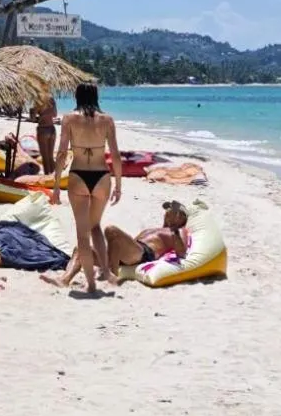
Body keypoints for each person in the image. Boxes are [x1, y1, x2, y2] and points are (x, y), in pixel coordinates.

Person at [51, 84, 122, 296]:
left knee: (82, 234)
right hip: (101, 176)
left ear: (77, 96)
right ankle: (107, 272)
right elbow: (116, 155)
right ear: (96, 96)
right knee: (95, 226)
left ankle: (91, 285)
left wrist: (56, 186)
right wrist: (119, 184)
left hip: (79, 175)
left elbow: (62, 153)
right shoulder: (107, 120)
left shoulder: (69, 119)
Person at [48, 200, 192, 288]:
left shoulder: (179, 231)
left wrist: (174, 230)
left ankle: (112, 274)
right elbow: (129, 242)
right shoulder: (154, 229)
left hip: (143, 253)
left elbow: (181, 253)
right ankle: (64, 280)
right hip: (127, 252)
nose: (167, 212)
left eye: (171, 211)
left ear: (180, 218)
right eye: (167, 210)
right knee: (80, 249)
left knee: (111, 230)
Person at [33, 93, 59, 175]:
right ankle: (54, 178)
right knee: (51, 157)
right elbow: (55, 114)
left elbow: (33, 117)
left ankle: (48, 177)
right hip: (52, 129)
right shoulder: (51, 98)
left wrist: (36, 115)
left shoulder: (39, 99)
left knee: (45, 158)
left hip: (43, 129)